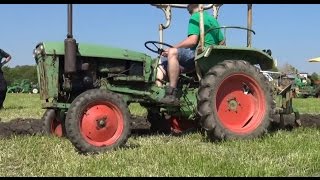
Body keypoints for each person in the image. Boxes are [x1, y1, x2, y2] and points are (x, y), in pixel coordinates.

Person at [157, 4, 225, 105]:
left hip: (198, 54)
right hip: (209, 57)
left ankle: (169, 92)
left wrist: (173, 48)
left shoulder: (196, 16)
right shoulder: (213, 20)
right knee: (170, 58)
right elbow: (222, 42)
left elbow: (192, 41)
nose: (187, 6)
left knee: (166, 57)